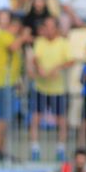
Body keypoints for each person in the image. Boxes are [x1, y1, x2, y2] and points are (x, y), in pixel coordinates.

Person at [0, 9, 29, 161]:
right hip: (3, 82)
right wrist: (23, 38)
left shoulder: (7, 36)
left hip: (7, 82)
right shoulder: (4, 36)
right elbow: (13, 47)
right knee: (3, 117)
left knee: (4, 117)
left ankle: (0, 149)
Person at [28, 15, 73, 161]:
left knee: (61, 119)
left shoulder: (63, 42)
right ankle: (34, 148)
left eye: (51, 27)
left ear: (56, 28)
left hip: (58, 89)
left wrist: (57, 68)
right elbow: (35, 58)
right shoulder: (40, 41)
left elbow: (71, 61)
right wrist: (39, 68)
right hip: (40, 87)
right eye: (46, 26)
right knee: (35, 118)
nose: (48, 30)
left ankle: (61, 148)